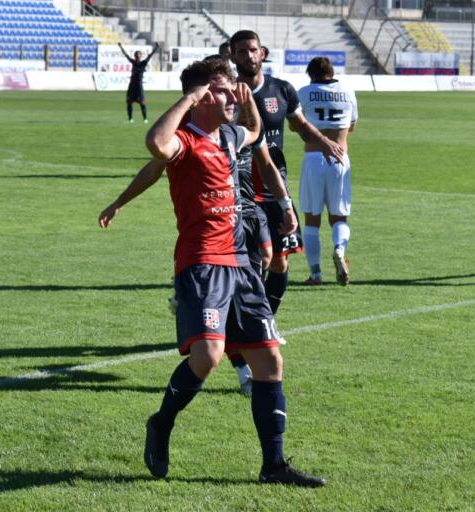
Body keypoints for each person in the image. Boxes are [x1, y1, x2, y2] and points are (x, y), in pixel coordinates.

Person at [119, 57, 325, 486]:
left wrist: (247, 104)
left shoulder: (231, 135)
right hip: (202, 263)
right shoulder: (184, 142)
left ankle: (274, 465)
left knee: (269, 361)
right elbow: (156, 145)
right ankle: (162, 423)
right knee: (209, 356)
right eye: (220, 89)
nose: (230, 94)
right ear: (198, 97)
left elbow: (253, 132)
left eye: (232, 88)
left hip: (241, 262)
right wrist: (190, 97)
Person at [230, 30, 344, 313]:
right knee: (257, 259)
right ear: (232, 55)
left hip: (274, 183)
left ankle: (265, 321)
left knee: (281, 261)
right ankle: (244, 323)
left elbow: (302, 126)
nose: (249, 56)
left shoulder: (281, 90)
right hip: (239, 185)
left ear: (263, 53)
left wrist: (325, 142)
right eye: (242, 51)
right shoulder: (227, 94)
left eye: (253, 50)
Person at [297, 57, 358, 286]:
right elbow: (351, 125)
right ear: (332, 72)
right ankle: (340, 251)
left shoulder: (304, 92)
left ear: (311, 74)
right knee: (339, 216)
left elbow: (296, 124)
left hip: (314, 157)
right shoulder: (347, 91)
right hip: (341, 158)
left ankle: (315, 274)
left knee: (312, 219)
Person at [118, 42, 160, 123]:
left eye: (139, 54)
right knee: (129, 102)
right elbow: (126, 55)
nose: (138, 56)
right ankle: (130, 119)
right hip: (132, 85)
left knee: (142, 103)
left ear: (140, 56)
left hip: (139, 85)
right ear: (135, 56)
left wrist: (156, 48)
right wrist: (121, 47)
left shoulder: (143, 63)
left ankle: (145, 119)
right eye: (136, 54)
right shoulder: (133, 62)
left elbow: (150, 56)